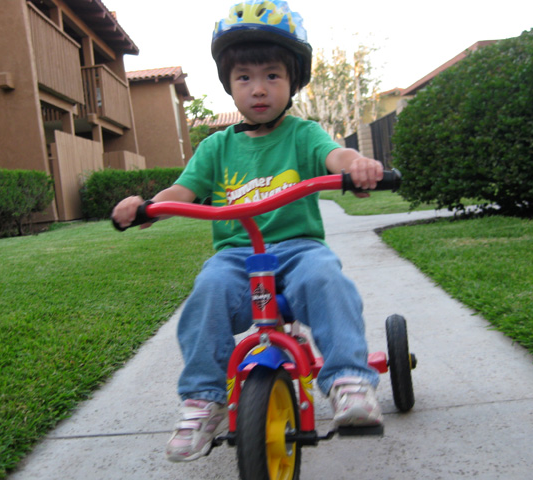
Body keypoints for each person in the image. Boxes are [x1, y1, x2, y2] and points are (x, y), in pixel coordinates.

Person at [112, 0, 385, 463]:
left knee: (327, 279)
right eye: (245, 78)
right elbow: (185, 188)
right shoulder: (215, 146)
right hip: (236, 257)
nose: (259, 89)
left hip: (299, 250)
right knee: (207, 291)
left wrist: (354, 164)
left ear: (293, 80)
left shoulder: (303, 133)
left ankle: (348, 380)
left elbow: (331, 156)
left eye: (272, 76)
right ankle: (202, 399)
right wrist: (149, 206)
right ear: (230, 85)